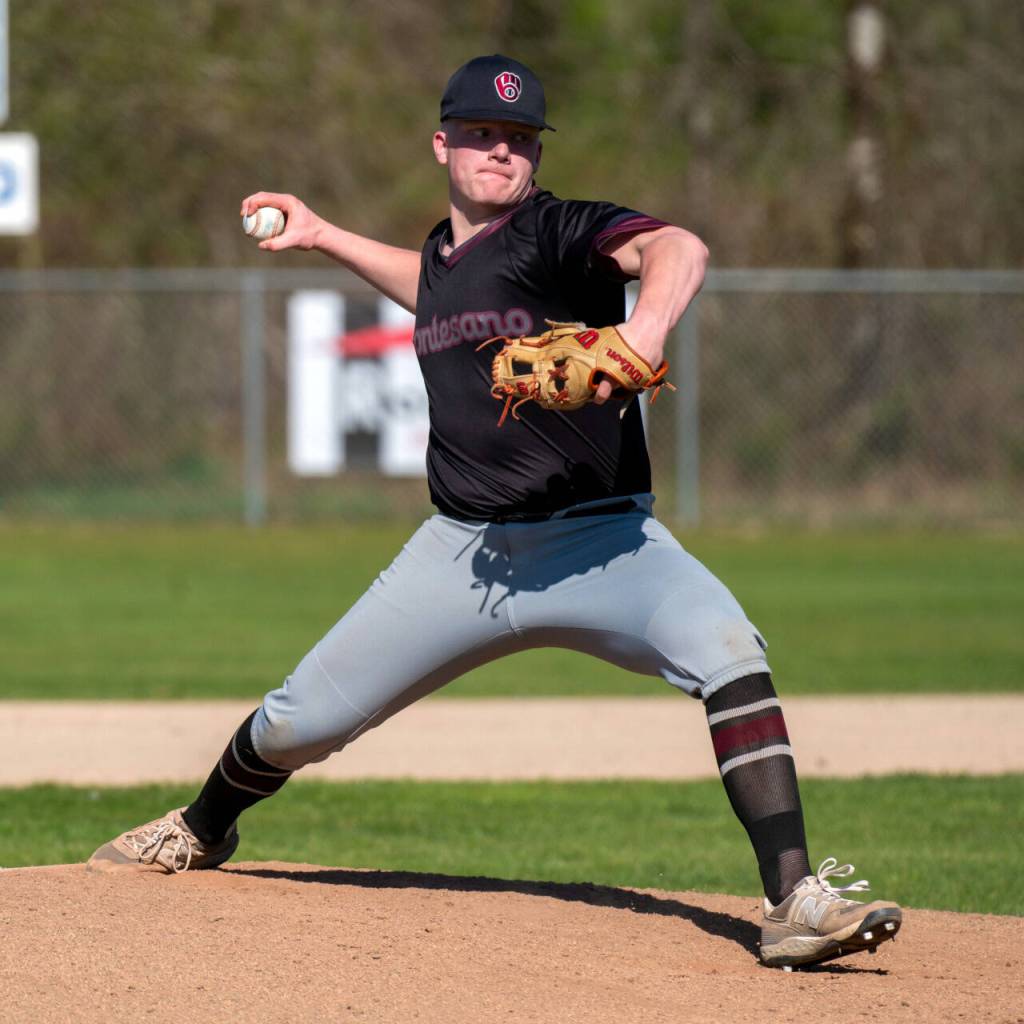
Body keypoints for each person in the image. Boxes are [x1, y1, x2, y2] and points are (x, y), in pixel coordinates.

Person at [88, 54, 901, 969]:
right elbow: (433, 286)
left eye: (519, 137)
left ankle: (794, 900)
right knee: (297, 722)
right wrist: (322, 234)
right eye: (481, 132)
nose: (501, 150)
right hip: (461, 556)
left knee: (730, 650)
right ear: (443, 144)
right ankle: (201, 828)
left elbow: (680, 248)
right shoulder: (444, 256)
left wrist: (644, 327)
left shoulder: (559, 233)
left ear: (536, 156)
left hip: (605, 542)